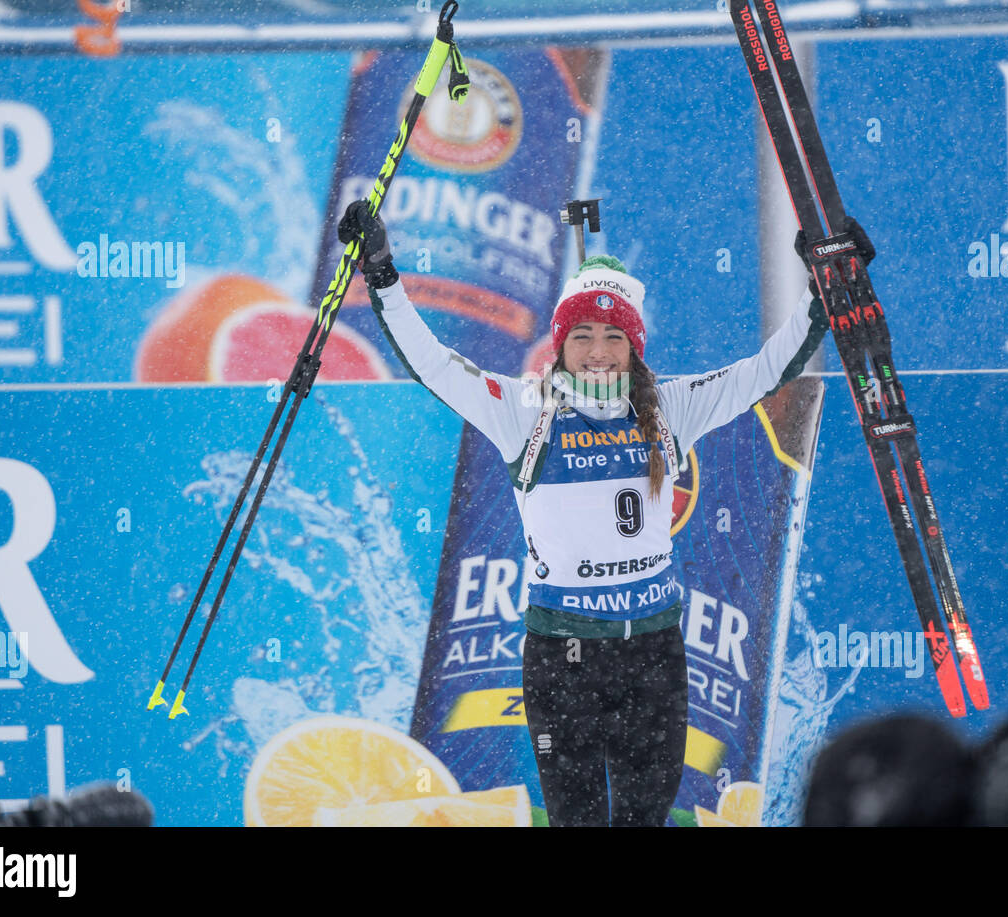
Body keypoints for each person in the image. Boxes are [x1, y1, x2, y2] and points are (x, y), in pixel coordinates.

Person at [339, 201, 832, 826]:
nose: (598, 352)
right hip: (563, 658)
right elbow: (431, 363)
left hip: (653, 655)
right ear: (561, 342)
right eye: (582, 336)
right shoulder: (523, 410)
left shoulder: (669, 409)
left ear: (635, 345)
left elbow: (765, 372)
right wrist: (382, 273)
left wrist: (820, 296)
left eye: (613, 337)